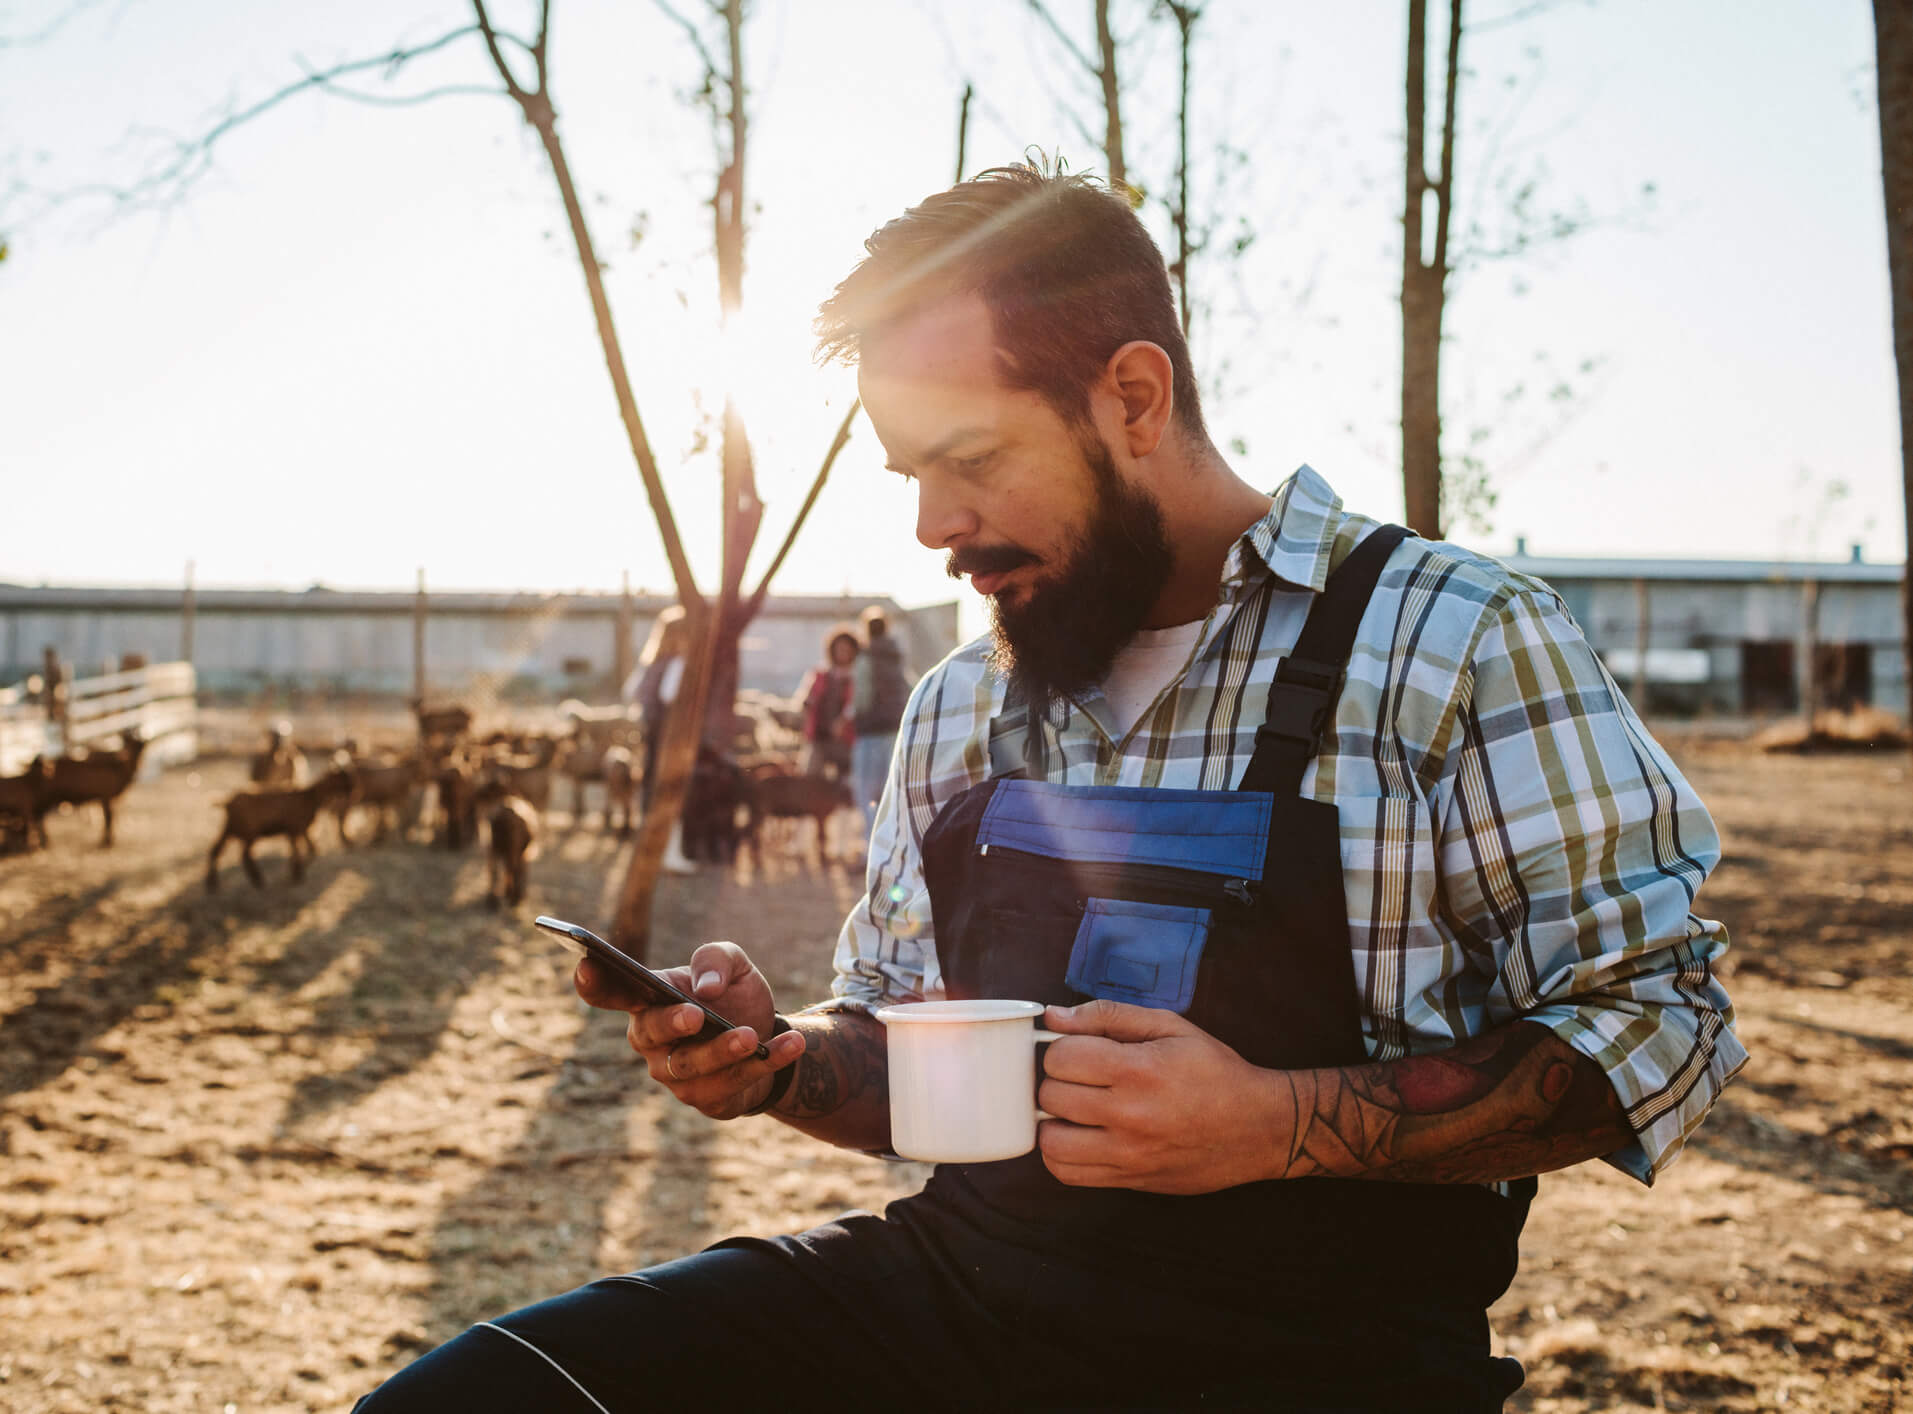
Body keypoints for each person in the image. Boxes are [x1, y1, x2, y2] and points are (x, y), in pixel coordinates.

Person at [356, 163, 1744, 1412]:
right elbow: (904, 1056)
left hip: (1326, 1363)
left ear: (1132, 397)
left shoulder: (1457, 639)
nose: (932, 525)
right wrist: (776, 1059)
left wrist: (1275, 1122)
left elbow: (1657, 1024)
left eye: (969, 460)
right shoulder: (962, 700)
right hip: (954, 1304)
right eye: (911, 474)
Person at [624, 605, 695, 876]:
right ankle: (670, 853)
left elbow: (631, 691)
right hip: (669, 736)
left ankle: (650, 848)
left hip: (651, 733)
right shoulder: (678, 663)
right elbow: (669, 695)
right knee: (672, 788)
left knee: (652, 786)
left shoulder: (652, 662)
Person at [847, 605, 911, 838]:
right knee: (890, 791)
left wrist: (849, 716)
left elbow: (862, 699)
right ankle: (893, 841)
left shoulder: (865, 658)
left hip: (870, 732)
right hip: (895, 730)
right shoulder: (896, 656)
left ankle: (872, 845)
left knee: (867, 793)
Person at [795, 623, 859, 781]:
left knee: (845, 781)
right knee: (811, 777)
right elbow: (807, 699)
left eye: (847, 649)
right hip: (819, 737)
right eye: (839, 649)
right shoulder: (821, 674)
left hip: (846, 740)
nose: (843, 653)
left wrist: (842, 722)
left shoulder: (857, 678)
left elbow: (855, 705)